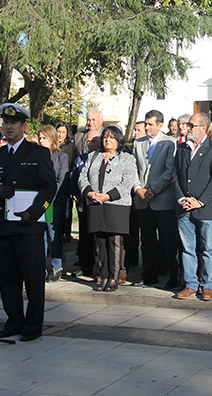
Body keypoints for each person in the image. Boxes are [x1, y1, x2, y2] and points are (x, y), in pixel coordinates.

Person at [0, 103, 56, 342]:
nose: (8, 127)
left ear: (24, 126)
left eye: (13, 123)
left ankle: (33, 325)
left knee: (33, 278)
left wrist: (33, 213)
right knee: (8, 278)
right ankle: (13, 320)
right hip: (4, 224)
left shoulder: (37, 153)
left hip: (28, 226)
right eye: (5, 123)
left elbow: (48, 188)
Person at [173, 113, 212, 300]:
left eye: (191, 125)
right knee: (188, 248)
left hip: (205, 208)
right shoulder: (181, 149)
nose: (187, 128)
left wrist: (199, 201)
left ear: (203, 128)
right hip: (184, 207)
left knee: (208, 248)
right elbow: (175, 175)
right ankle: (190, 284)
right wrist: (181, 198)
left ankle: (207, 285)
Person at [78, 125, 138, 291]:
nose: (107, 140)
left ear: (118, 140)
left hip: (115, 204)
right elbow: (82, 176)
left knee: (114, 242)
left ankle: (113, 276)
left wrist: (108, 196)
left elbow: (127, 182)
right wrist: (89, 193)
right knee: (100, 242)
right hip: (95, 203)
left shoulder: (126, 158)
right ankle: (103, 275)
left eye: (111, 137)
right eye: (105, 137)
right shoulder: (93, 156)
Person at [132, 110, 179, 287]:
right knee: (147, 241)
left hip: (162, 200)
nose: (147, 127)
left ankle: (173, 275)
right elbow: (134, 169)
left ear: (160, 125)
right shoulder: (139, 143)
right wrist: (139, 189)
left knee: (168, 240)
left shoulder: (170, 143)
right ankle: (148, 275)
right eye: (146, 124)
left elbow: (169, 171)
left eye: (150, 124)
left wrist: (153, 189)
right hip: (143, 201)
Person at [37, 125, 70, 281]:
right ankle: (40, 267)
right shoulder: (35, 156)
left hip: (54, 202)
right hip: (38, 202)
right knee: (40, 236)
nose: (41, 141)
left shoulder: (61, 157)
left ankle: (56, 266)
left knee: (53, 235)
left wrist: (49, 196)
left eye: (44, 138)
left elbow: (61, 179)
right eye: (40, 138)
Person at [72, 129, 101, 277]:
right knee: (85, 237)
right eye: (88, 141)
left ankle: (104, 270)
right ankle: (86, 267)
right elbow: (76, 179)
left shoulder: (104, 157)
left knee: (100, 238)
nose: (90, 144)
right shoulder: (81, 159)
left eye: (94, 140)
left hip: (101, 202)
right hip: (84, 201)